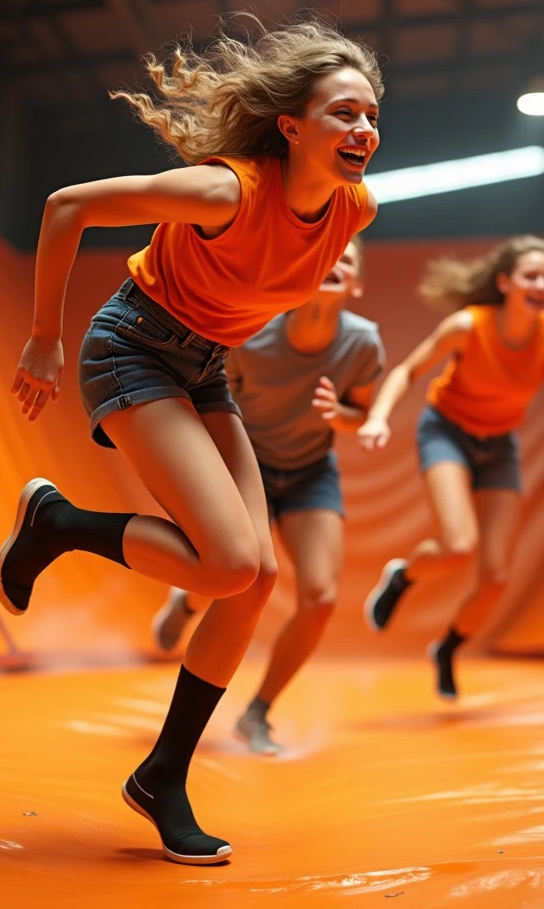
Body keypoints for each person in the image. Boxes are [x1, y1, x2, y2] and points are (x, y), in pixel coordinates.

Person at [0, 19, 382, 865]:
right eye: (343, 113)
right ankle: (56, 526)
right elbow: (70, 206)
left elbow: (255, 290)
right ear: (292, 126)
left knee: (254, 576)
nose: (362, 130)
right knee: (232, 564)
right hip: (132, 345)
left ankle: (161, 776)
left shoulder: (354, 207)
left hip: (205, 366)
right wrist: (42, 338)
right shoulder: (227, 191)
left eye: (371, 115)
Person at [151, 236, 385, 755]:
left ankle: (257, 712)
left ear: (358, 283)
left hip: (309, 471)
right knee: (232, 573)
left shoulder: (363, 343)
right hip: (248, 461)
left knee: (321, 597)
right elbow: (211, 394)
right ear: (305, 270)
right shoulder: (255, 332)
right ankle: (185, 602)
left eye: (347, 261)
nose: (335, 264)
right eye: (327, 256)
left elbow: (361, 414)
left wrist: (338, 415)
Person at [359, 236, 544, 700]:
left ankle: (447, 648)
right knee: (458, 546)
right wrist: (378, 417)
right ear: (505, 282)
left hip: (499, 446)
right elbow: (407, 371)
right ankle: (403, 577)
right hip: (447, 432)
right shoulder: (467, 325)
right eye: (530, 276)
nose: (540, 285)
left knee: (496, 578)